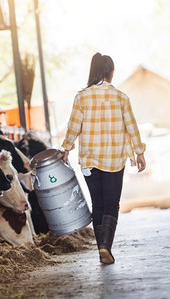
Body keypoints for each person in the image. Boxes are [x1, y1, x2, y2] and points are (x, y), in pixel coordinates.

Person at [61, 52, 146, 264]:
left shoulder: (82, 97)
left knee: (97, 203)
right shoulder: (121, 97)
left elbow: (73, 126)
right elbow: (131, 127)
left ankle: (101, 248)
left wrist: (66, 149)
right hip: (114, 160)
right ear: (110, 72)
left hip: (89, 160)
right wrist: (139, 151)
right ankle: (106, 247)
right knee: (111, 204)